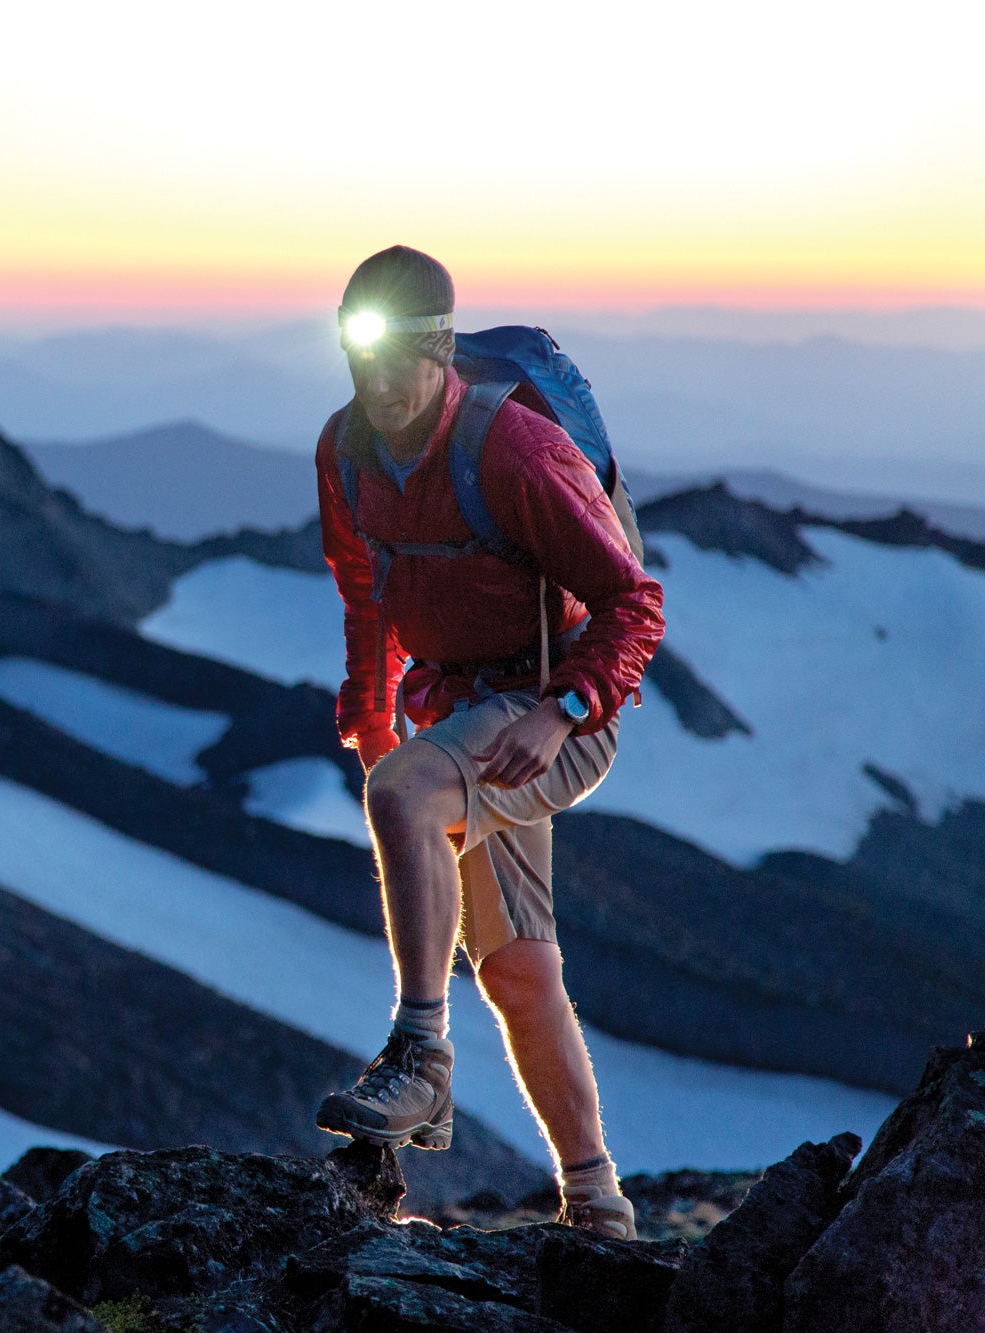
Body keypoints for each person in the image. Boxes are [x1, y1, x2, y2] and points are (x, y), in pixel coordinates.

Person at [309, 245, 665, 1240]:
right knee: (515, 968)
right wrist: (371, 708)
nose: (377, 386)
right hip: (463, 710)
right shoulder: (346, 452)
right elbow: (364, 586)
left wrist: (562, 711)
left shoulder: (510, 451)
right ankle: (596, 1203)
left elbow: (632, 603)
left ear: (439, 353)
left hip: (554, 718)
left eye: (396, 363)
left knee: (404, 796)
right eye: (357, 361)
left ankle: (418, 1056)